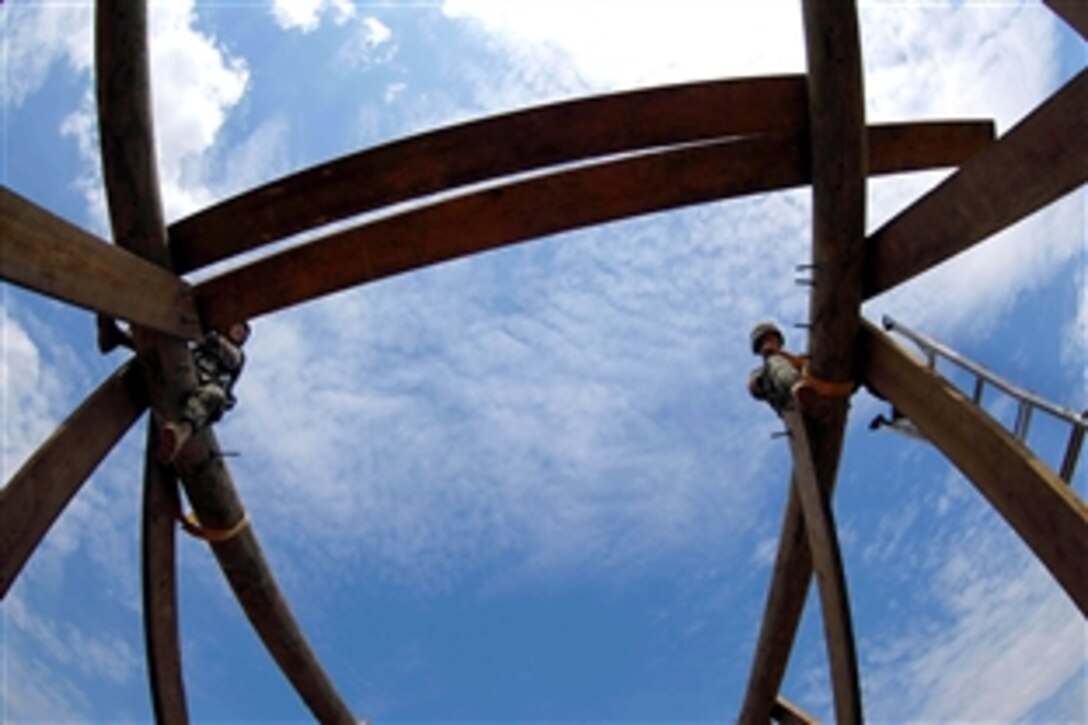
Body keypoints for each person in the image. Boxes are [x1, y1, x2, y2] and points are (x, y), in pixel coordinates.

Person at [158, 321, 250, 463]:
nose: (238, 332)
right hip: (187, 371)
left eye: (242, 332)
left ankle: (180, 434)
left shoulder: (237, 355)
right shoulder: (207, 339)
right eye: (237, 328)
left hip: (207, 387)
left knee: (215, 395)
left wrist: (214, 338)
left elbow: (231, 359)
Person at [747, 321, 805, 415]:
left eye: (770, 339)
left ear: (778, 341)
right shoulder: (760, 372)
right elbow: (755, 388)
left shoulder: (798, 360)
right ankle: (800, 392)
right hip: (793, 408)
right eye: (763, 342)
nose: (768, 344)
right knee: (774, 361)